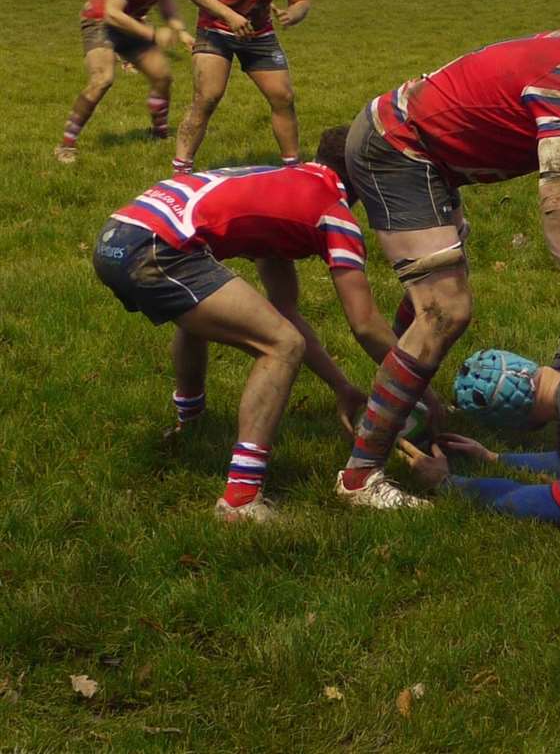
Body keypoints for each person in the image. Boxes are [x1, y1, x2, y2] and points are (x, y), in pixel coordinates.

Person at [333, 2, 560, 508]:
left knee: (433, 302)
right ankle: (360, 476)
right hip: (401, 147)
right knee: (444, 308)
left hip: (418, 146)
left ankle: (404, 403)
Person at [92, 155, 442, 522]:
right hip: (153, 248)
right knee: (282, 346)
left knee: (201, 311)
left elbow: (285, 310)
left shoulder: (288, 183)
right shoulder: (334, 212)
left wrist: (340, 387)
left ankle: (191, 425)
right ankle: (240, 500)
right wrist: (418, 389)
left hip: (118, 233)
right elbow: (366, 324)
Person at [174, 0, 310, 173]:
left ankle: (293, 170)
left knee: (283, 97)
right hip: (216, 29)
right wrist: (229, 16)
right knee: (207, 97)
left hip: (259, 32)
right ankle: (181, 170)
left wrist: (294, 13)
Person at [56, 0, 193, 164]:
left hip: (129, 23)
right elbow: (112, 14)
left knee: (162, 76)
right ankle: (67, 144)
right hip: (100, 21)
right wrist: (153, 33)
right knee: (103, 78)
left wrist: (180, 30)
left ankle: (159, 134)